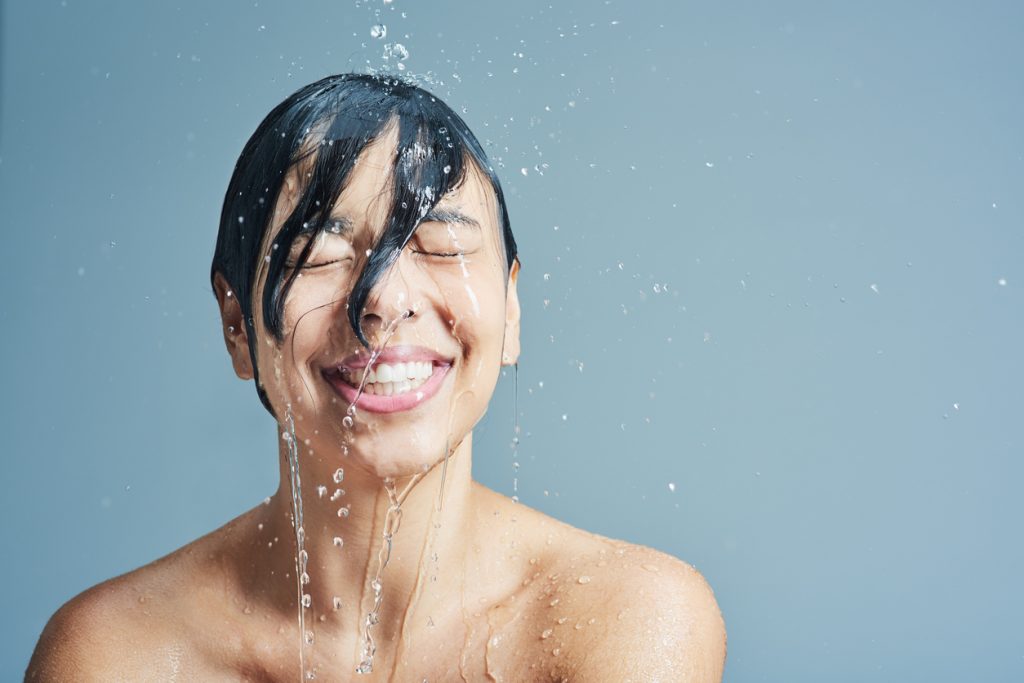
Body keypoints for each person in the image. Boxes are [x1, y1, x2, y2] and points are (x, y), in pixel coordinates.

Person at [27, 73, 726, 682]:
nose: (385, 299)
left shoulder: (627, 618)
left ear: (511, 310)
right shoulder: (116, 655)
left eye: (442, 243)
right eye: (320, 251)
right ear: (237, 323)